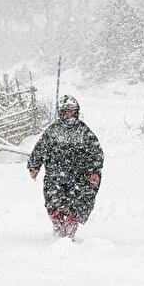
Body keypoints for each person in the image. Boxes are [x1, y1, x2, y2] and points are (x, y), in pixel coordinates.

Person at [28, 95, 104, 239]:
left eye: (72, 111)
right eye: (66, 111)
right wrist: (34, 166)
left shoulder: (84, 131)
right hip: (55, 176)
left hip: (79, 177)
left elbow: (96, 152)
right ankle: (58, 226)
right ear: (61, 112)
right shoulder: (53, 131)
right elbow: (40, 148)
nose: (69, 114)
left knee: (77, 205)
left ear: (76, 112)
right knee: (53, 203)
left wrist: (95, 171)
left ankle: (70, 231)